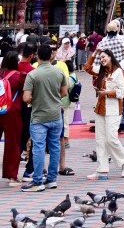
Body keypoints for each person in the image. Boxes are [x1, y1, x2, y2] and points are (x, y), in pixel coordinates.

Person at [21, 43, 67, 192]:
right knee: (54, 147)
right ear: (51, 56)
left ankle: (37, 181)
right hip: (55, 114)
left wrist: (37, 98)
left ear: (37, 56)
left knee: (38, 148)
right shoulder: (59, 71)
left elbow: (26, 97)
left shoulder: (33, 74)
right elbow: (64, 92)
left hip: (39, 116)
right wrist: (52, 98)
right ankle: (52, 179)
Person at [88, 49, 124, 181]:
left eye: (104, 57)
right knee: (100, 140)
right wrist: (94, 54)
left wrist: (107, 93)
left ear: (111, 57)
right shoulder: (101, 71)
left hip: (113, 109)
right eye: (100, 58)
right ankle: (102, 170)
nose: (102, 60)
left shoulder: (119, 72)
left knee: (111, 138)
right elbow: (87, 68)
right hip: (100, 109)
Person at [0, 50, 25, 185]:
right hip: (12, 111)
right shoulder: (18, 76)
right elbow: (24, 95)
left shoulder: (0, 73)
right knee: (13, 143)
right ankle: (12, 176)